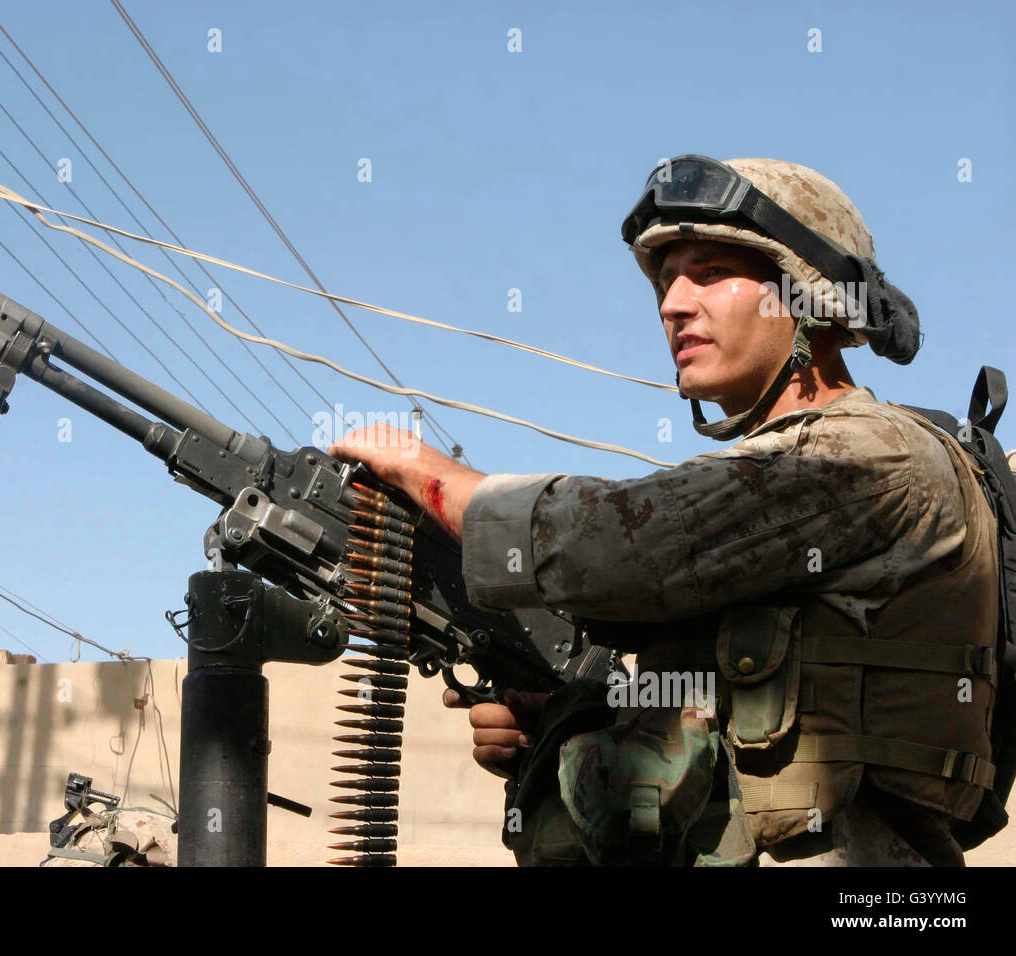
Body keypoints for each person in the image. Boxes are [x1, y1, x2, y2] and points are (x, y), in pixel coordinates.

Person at [329, 156, 1000, 866]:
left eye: (709, 272)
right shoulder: (771, 496)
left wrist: (429, 473)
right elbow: (717, 747)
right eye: (666, 281)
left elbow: (608, 551)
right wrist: (560, 732)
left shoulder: (869, 455)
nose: (673, 303)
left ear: (808, 298)